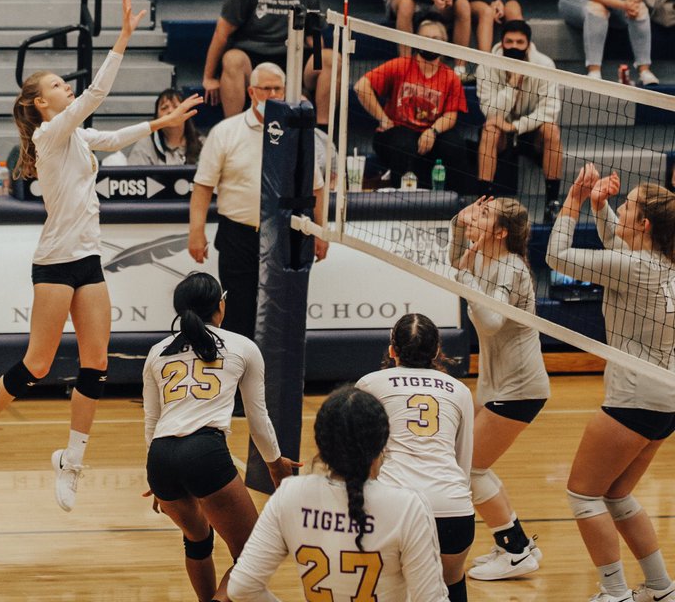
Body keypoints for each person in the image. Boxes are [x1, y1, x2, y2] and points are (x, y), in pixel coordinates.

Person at [0, 0, 202, 512]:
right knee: (38, 364)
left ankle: (71, 462)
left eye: (65, 83)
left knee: (96, 362)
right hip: (54, 262)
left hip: (87, 261)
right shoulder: (49, 134)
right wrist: (124, 39)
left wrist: (164, 121)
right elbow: (93, 99)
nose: (66, 89)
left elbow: (111, 137)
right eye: (57, 86)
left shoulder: (76, 139)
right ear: (42, 103)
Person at [547, 164, 675, 602]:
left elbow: (557, 257)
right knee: (618, 496)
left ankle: (614, 592)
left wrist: (575, 201)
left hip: (634, 398)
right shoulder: (662, 262)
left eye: (628, 205)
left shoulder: (635, 266)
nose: (620, 208)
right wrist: (602, 210)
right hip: (665, 398)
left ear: (643, 223)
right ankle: (660, 587)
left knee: (583, 495)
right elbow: (620, 257)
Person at [143, 272, 298, 602]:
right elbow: (258, 418)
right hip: (204, 453)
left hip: (160, 457)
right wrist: (274, 465)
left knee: (197, 539)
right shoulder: (242, 346)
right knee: (253, 553)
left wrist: (155, 480)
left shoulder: (157, 352)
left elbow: (152, 421)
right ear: (220, 305)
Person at [228, 384, 449, 602]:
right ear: (382, 443)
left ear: (320, 444)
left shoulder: (290, 495)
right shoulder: (407, 506)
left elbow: (241, 588)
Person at [190, 63, 328, 351]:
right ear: (252, 92)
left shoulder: (297, 134)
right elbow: (203, 186)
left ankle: (277, 387)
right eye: (267, 89)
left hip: (285, 235)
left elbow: (316, 187)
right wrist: (196, 232)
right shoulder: (226, 132)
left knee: (282, 313)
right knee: (237, 313)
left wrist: (320, 231)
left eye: (279, 88)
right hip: (238, 235)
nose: (274, 94)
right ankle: (238, 384)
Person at [449, 196, 548, 580]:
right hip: (498, 383)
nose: (478, 216)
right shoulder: (480, 256)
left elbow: (489, 321)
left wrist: (465, 276)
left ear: (501, 232)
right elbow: (454, 261)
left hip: (520, 386)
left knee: (471, 469)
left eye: (484, 215)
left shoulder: (509, 268)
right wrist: (459, 223)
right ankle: (517, 543)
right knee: (473, 464)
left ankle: (516, 551)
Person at [356, 314, 474, 602]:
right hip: (454, 508)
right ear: (436, 351)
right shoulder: (459, 390)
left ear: (392, 350)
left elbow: (359, 458)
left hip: (396, 505)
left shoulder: (370, 384)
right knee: (451, 585)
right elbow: (463, 460)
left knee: (391, 589)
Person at [202, 0, 336, 119]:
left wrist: (320, 64)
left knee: (330, 58)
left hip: (294, 60)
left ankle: (322, 132)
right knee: (232, 59)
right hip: (253, 58)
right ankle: (231, 128)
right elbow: (221, 34)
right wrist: (209, 77)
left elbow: (315, 34)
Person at [353, 18, 468, 189]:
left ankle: (450, 198)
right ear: (416, 40)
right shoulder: (401, 65)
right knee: (404, 144)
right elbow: (361, 86)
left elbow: (451, 115)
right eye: (425, 38)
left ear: (445, 43)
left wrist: (433, 131)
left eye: (436, 39)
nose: (430, 42)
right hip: (397, 131)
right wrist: (383, 119)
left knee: (455, 146)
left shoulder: (450, 77)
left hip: (430, 131)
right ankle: (400, 196)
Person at [474, 20, 564, 222]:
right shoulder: (486, 66)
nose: (514, 46)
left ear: (528, 44)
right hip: (501, 133)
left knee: (552, 130)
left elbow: (550, 111)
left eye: (519, 42)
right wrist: (513, 85)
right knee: (490, 131)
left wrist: (516, 126)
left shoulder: (545, 65)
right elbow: (490, 111)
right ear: (502, 42)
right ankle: (483, 202)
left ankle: (552, 203)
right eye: (509, 41)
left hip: (530, 132)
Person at [129, 89, 204, 165]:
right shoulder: (145, 145)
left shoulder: (203, 143)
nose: (170, 111)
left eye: (176, 107)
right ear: (157, 117)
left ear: (187, 114)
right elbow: (133, 176)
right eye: (164, 108)